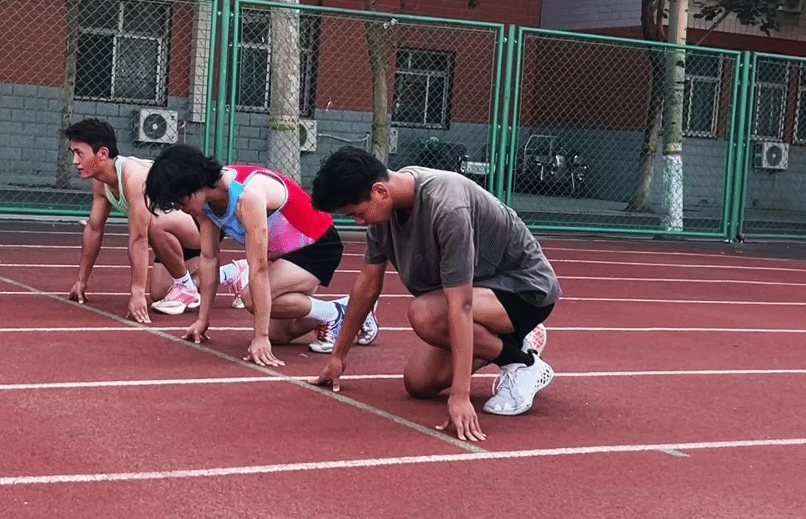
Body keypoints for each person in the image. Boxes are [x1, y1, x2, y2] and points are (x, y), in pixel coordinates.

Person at [309, 146, 559, 442]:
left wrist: (460, 395)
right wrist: (338, 356)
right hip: (476, 294)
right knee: (419, 384)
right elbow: (368, 283)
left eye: (358, 214)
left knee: (425, 314)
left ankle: (524, 364)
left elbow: (461, 305)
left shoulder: (447, 206)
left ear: (380, 191)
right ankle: (513, 342)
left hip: (524, 290)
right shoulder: (383, 211)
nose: (359, 223)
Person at [144, 144, 380, 366]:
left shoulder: (247, 196)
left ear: (192, 185)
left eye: (178, 200)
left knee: (251, 299)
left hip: (317, 245)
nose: (178, 207)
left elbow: (258, 267)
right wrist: (202, 320)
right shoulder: (205, 205)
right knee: (279, 334)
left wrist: (260, 337)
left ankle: (336, 314)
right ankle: (345, 310)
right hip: (286, 254)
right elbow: (208, 259)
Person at [63, 119, 206, 323]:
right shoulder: (100, 181)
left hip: (202, 224)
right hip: (171, 233)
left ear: (102, 153)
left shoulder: (134, 176)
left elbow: (139, 238)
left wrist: (137, 293)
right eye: (73, 153)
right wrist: (81, 281)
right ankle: (232, 273)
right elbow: (94, 229)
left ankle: (186, 287)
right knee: (159, 292)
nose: (75, 161)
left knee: (152, 224)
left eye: (79, 153)